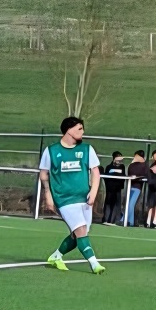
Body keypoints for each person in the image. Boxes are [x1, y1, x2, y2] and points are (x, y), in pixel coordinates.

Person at [41, 117, 105, 275]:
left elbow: (95, 172)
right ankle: (95, 264)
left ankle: (56, 256)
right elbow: (44, 174)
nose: (83, 132)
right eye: (79, 129)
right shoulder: (51, 151)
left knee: (78, 236)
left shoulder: (87, 149)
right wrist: (48, 195)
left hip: (84, 198)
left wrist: (93, 192)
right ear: (69, 130)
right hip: (64, 199)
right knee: (81, 230)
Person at [101, 151, 126, 225]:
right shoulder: (109, 167)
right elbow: (106, 177)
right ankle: (106, 219)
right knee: (108, 203)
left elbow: (123, 176)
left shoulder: (122, 167)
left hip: (117, 189)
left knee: (117, 204)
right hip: (110, 189)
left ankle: (114, 220)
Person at [124, 150, 147, 226]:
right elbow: (130, 172)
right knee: (129, 203)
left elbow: (144, 174)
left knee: (131, 204)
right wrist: (132, 162)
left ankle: (124, 219)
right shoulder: (133, 165)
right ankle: (130, 222)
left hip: (137, 187)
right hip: (131, 187)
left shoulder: (144, 165)